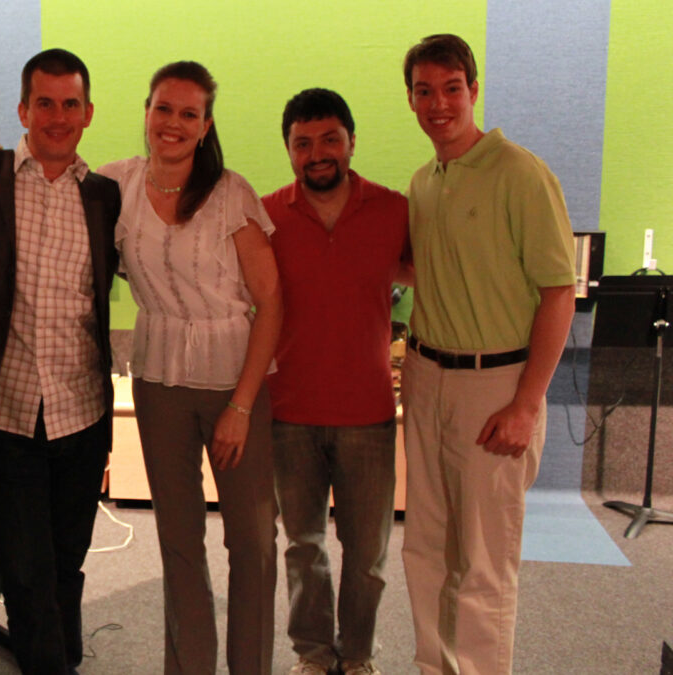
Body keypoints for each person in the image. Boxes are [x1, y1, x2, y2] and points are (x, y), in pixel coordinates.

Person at [0, 49, 120, 674]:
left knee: (66, 563)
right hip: (7, 415)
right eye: (45, 103)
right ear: (23, 109)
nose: (58, 117)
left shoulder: (104, 197)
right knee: (25, 572)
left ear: (88, 113)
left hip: (82, 416)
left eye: (71, 104)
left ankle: (59, 659)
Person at [98, 61, 282, 675]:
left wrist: (242, 406)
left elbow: (272, 300)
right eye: (163, 108)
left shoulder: (232, 192)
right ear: (146, 112)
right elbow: (38, 184)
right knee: (178, 541)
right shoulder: (113, 184)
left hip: (237, 384)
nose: (172, 123)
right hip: (157, 383)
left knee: (251, 543)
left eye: (188, 113)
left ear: (205, 126)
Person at [400, 34, 576, 674]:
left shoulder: (521, 173)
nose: (439, 103)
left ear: (473, 90)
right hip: (424, 376)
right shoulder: (425, 181)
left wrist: (527, 405)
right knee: (424, 548)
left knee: (481, 559)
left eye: (451, 88)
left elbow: (560, 291)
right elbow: (435, 271)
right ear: (411, 100)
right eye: (424, 91)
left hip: (494, 385)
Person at [261, 88, 409, 675]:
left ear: (351, 142)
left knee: (368, 556)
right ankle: (314, 655)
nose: (317, 153)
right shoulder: (267, 214)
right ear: (289, 150)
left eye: (329, 140)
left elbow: (434, 273)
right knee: (303, 548)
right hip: (289, 412)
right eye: (303, 143)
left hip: (369, 414)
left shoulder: (394, 210)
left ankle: (360, 656)